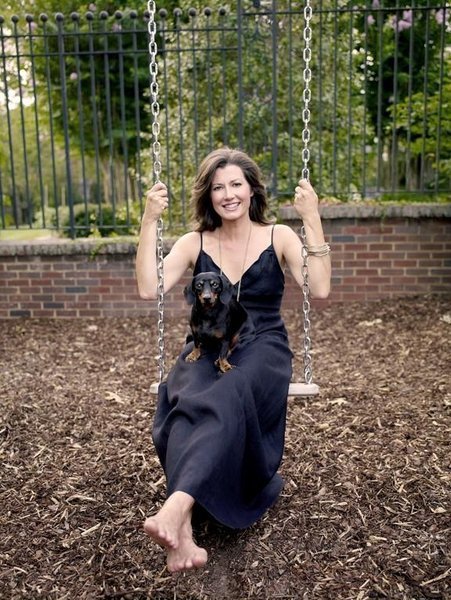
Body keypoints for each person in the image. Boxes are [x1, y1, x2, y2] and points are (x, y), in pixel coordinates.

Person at [136, 147, 331, 573]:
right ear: (208, 195)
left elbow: (319, 288)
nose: (228, 195)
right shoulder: (195, 242)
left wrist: (311, 216)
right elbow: (150, 288)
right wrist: (149, 220)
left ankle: (177, 507)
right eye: (218, 187)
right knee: (184, 396)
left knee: (229, 389)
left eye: (236, 185)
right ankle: (182, 528)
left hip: (263, 345)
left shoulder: (279, 236)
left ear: (252, 190)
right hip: (207, 344)